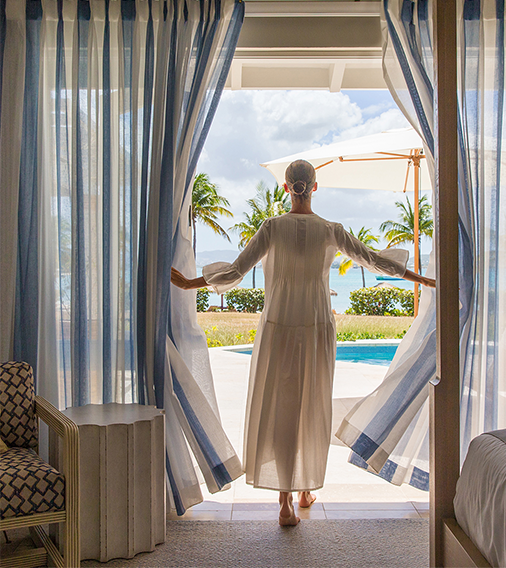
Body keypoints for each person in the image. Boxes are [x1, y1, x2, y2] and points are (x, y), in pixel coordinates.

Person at [171, 160, 435, 526]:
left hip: (278, 328)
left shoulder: (272, 228)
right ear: (314, 186)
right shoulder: (330, 230)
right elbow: (374, 261)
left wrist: (189, 283)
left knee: (282, 407)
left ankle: (287, 499)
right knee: (310, 406)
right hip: (315, 328)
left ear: (285, 187)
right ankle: (304, 487)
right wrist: (424, 279)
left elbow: (234, 271)